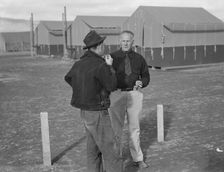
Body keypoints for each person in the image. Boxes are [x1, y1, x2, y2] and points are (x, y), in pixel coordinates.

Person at [64, 30, 123, 172]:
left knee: (93, 151)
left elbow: (68, 78)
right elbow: (112, 85)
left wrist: (83, 92)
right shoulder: (101, 64)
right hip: (98, 112)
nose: (104, 46)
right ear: (98, 46)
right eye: (102, 44)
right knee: (111, 152)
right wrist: (110, 67)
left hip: (84, 112)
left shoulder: (79, 64)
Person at [109, 30, 150, 169]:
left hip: (134, 94)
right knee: (116, 130)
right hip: (117, 95)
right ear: (119, 41)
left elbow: (146, 77)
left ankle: (138, 158)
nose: (125, 43)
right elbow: (106, 76)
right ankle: (116, 160)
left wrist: (142, 82)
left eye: (128, 41)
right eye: (123, 40)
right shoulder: (112, 58)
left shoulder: (139, 58)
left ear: (132, 42)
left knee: (134, 128)